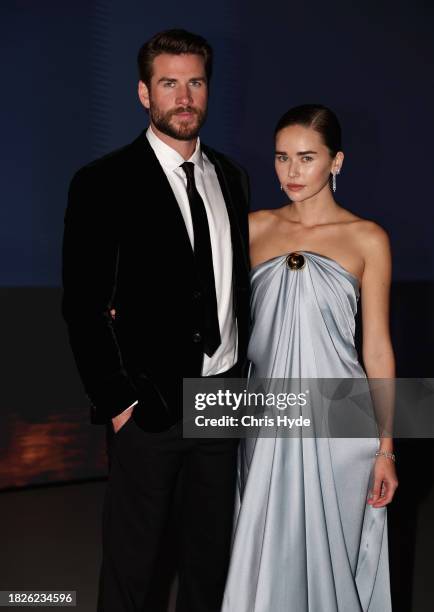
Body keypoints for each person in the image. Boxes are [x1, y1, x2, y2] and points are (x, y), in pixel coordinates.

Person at [62, 29, 250, 612]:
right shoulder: (103, 182)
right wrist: (119, 401)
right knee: (133, 566)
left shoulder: (233, 177)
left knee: (210, 560)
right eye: (170, 84)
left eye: (195, 82)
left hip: (222, 398)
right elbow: (83, 305)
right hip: (148, 410)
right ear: (145, 93)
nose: (185, 97)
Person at [222, 104, 398, 611]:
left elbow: (378, 347)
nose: (291, 173)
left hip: (343, 419)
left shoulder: (368, 237)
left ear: (336, 162)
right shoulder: (252, 227)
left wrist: (387, 448)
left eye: (306, 158)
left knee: (335, 554)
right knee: (262, 553)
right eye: (282, 159)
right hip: (266, 414)